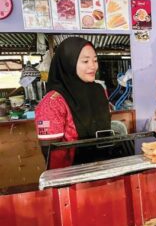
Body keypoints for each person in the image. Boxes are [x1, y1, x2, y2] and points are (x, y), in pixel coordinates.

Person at [35, 37, 111, 169]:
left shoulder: (99, 91)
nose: (93, 66)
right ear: (68, 62)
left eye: (95, 60)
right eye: (85, 61)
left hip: (104, 167)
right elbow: (52, 154)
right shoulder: (52, 103)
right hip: (71, 176)